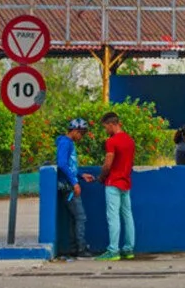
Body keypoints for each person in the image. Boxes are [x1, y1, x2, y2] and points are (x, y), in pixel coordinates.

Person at [97, 110, 136, 260]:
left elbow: (108, 164)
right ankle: (129, 249)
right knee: (128, 216)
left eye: (106, 127)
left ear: (112, 124)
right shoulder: (130, 141)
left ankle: (113, 250)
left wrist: (101, 177)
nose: (106, 130)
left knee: (113, 217)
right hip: (126, 182)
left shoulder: (112, 141)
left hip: (113, 183)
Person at [53, 117, 92, 258]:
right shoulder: (65, 143)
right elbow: (62, 164)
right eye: (81, 133)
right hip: (69, 187)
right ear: (75, 131)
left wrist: (81, 175)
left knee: (74, 218)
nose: (81, 136)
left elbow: (69, 165)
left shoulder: (68, 143)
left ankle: (74, 247)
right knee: (80, 217)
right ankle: (80, 249)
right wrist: (75, 183)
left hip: (70, 183)